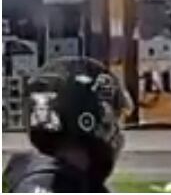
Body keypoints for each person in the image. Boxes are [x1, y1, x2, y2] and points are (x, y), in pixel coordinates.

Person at [2, 57, 132, 193]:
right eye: (112, 118)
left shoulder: (21, 175)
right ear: (87, 119)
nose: (116, 131)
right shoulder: (61, 186)